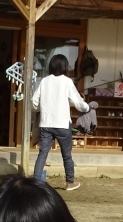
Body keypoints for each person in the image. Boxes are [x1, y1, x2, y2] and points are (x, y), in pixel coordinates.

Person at [32, 54, 89, 192]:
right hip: (62, 124)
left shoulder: (44, 81)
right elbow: (78, 102)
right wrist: (87, 108)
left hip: (46, 123)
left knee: (42, 153)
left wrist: (42, 109)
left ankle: (34, 182)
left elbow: (34, 102)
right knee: (66, 154)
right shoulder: (67, 82)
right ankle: (70, 182)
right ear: (65, 67)